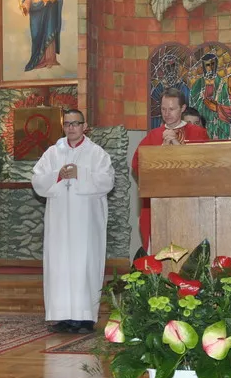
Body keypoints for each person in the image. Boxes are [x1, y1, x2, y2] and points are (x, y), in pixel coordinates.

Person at [31, 109, 115, 334]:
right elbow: (38, 180)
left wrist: (81, 174)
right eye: (67, 124)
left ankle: (85, 318)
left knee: (84, 264)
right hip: (59, 222)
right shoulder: (52, 152)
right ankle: (61, 316)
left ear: (84, 126)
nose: (71, 128)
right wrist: (57, 175)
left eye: (76, 124)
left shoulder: (96, 153)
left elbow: (107, 181)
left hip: (86, 222)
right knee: (59, 265)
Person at [131, 88, 209, 251]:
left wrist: (176, 144)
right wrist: (161, 150)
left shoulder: (198, 133)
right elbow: (138, 164)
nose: (167, 113)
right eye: (163, 109)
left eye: (172, 109)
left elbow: (203, 164)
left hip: (189, 202)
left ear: (182, 108)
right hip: (158, 203)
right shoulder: (153, 135)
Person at [20, 0, 63, 72]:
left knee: (48, 30)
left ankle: (49, 59)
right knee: (36, 35)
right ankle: (38, 60)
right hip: (35, 11)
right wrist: (25, 7)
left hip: (48, 8)